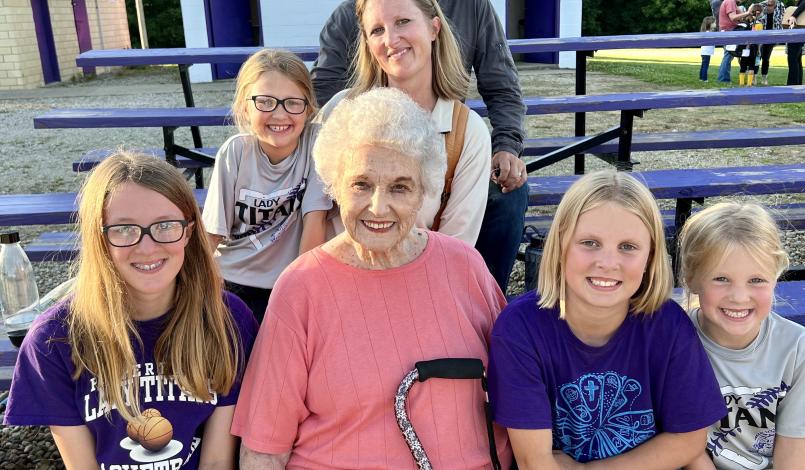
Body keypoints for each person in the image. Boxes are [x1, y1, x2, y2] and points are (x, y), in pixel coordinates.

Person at [232, 88, 512, 469]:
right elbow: (264, 450)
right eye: (361, 184)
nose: (378, 207)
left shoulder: (465, 267)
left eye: (400, 186)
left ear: (422, 192)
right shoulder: (302, 286)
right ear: (336, 187)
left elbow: (519, 392)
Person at [3, 152, 258, 469]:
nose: (147, 247)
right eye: (124, 229)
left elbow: (218, 461)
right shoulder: (53, 340)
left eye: (165, 225)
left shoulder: (226, 319)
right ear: (100, 238)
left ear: (190, 231)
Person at [488, 170, 727, 467]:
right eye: (589, 242)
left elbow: (689, 439)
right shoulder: (520, 330)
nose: (607, 263)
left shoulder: (668, 325)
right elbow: (535, 462)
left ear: (650, 256)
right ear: (561, 244)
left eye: (627, 247)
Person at [312, 0, 528, 292]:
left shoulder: (468, 132)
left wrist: (507, 144)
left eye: (403, 22)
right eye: (377, 30)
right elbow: (315, 216)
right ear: (366, 41)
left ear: (434, 27)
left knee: (509, 194)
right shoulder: (342, 110)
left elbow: (453, 248)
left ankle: (486, 306)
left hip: (421, 284)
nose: (390, 39)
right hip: (343, 282)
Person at [678, 202, 805, 470]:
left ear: (775, 276)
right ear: (691, 277)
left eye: (756, 280)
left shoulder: (798, 347)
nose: (739, 297)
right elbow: (685, 445)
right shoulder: (675, 342)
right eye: (721, 279)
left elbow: (794, 445)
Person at [202, 49, 331, 322]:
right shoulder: (235, 152)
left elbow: (314, 221)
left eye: (292, 103)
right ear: (245, 107)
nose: (280, 114)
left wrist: (303, 292)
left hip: (287, 281)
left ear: (308, 108)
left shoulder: (317, 144)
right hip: (232, 280)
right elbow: (212, 235)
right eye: (265, 102)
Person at [718, 0, 758, 82]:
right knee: (728, 55)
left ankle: (724, 78)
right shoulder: (730, 1)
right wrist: (747, 12)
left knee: (729, 55)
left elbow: (741, 18)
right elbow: (733, 17)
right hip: (728, 32)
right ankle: (723, 79)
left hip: (730, 31)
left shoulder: (733, 3)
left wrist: (750, 15)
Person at [757, 0, 785, 85]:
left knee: (766, 57)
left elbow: (782, 19)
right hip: (760, 34)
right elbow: (755, 18)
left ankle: (764, 77)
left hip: (772, 35)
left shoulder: (780, 5)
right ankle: (753, 76)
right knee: (757, 56)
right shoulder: (761, 5)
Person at [699, 16, 716, 82]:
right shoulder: (709, 33)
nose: (715, 24)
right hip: (706, 52)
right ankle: (704, 79)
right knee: (705, 66)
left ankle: (701, 78)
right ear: (710, 24)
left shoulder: (706, 32)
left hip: (704, 52)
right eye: (714, 23)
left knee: (703, 65)